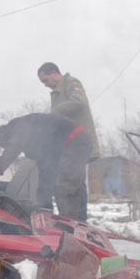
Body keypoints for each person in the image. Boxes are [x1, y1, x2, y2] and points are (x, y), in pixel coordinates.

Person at [0, 113, 91, 221]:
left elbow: (14, 147)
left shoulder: (21, 126)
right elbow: (45, 172)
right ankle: (59, 218)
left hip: (75, 140)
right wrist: (43, 205)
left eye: (5, 145)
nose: (6, 147)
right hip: (69, 144)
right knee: (57, 181)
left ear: (6, 136)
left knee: (67, 184)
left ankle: (75, 224)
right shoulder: (40, 141)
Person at [37, 62, 99, 219]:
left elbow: (79, 102)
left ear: (54, 73)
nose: (45, 85)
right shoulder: (57, 93)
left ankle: (80, 221)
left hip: (80, 143)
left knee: (76, 182)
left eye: (45, 80)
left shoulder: (71, 83)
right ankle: (71, 218)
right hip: (69, 145)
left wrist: (54, 112)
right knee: (69, 180)